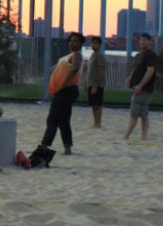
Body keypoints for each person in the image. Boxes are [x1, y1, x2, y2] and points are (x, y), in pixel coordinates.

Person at [25, 32, 84, 167]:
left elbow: (74, 69)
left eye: (75, 41)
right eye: (71, 41)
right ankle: (67, 148)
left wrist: (62, 84)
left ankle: (44, 146)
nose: (72, 43)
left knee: (52, 119)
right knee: (63, 121)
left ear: (80, 44)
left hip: (66, 90)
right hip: (63, 90)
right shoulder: (67, 56)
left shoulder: (77, 55)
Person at [124, 32, 159, 141]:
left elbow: (150, 71)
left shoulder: (151, 55)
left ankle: (126, 135)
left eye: (145, 40)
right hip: (136, 86)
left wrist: (141, 85)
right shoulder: (139, 55)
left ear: (150, 41)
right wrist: (130, 77)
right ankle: (144, 136)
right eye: (141, 40)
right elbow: (135, 69)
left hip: (144, 88)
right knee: (144, 113)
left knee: (134, 112)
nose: (142, 42)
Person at [86, 35, 106, 128]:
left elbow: (101, 72)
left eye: (96, 43)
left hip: (97, 84)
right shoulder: (92, 55)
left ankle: (98, 123)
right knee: (93, 105)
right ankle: (95, 122)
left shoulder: (100, 56)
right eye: (93, 43)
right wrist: (87, 83)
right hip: (90, 83)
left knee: (97, 105)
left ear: (99, 44)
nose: (94, 45)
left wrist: (95, 85)